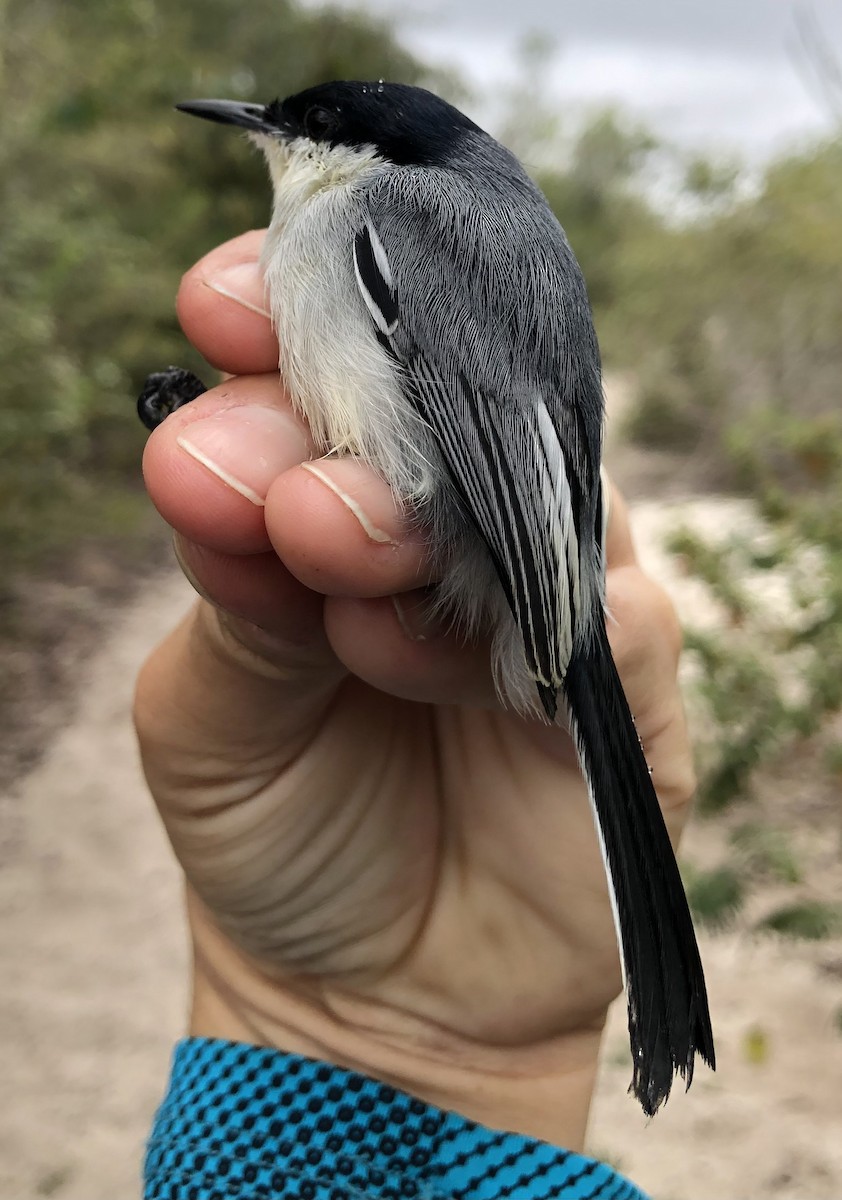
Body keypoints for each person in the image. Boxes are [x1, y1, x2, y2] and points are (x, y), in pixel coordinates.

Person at [135, 230, 695, 1199]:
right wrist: (362, 1044)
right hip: (335, 1060)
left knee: (346, 515)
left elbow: (460, 458)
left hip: (505, 560)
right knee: (329, 512)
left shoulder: (387, 213)